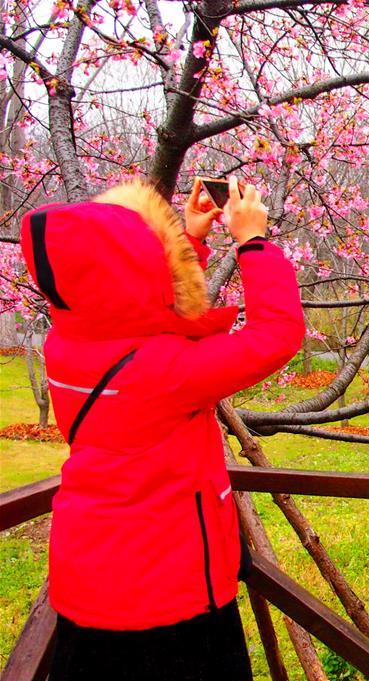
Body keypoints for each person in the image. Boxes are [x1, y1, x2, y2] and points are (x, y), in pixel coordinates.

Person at [18, 176, 305, 680]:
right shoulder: (163, 372)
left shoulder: (65, 346)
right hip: (168, 597)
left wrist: (187, 239)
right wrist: (253, 242)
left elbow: (136, 305)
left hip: (88, 583)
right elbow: (277, 334)